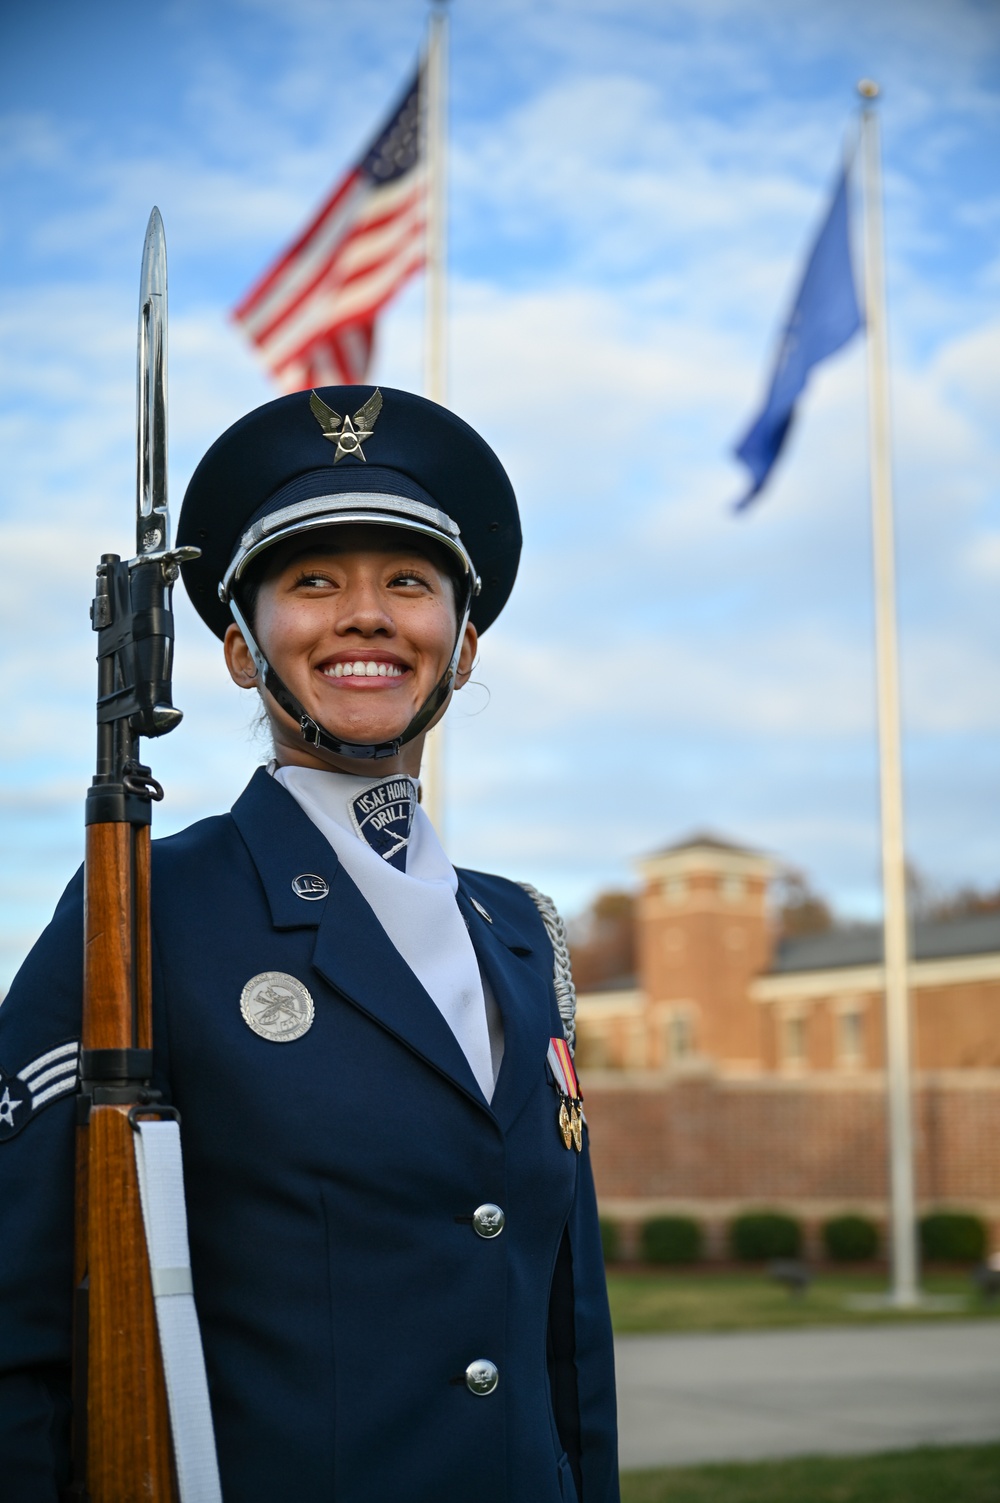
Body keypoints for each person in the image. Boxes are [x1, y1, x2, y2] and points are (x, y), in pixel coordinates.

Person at [0, 385, 619, 1502]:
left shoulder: (522, 931)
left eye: (410, 583)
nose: (367, 615)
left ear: (463, 646)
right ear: (241, 649)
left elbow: (563, 1328)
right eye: (314, 582)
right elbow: (18, 1322)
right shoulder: (145, 902)